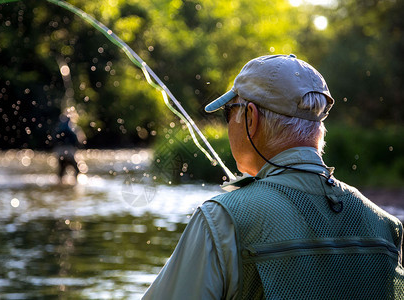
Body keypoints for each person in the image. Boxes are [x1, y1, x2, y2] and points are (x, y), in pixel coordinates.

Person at [142, 54, 404, 299]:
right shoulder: (384, 226)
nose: (227, 123)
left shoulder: (222, 220)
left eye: (229, 112)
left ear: (251, 118)